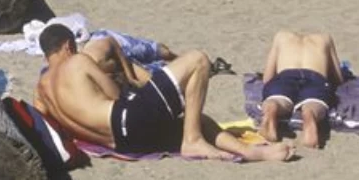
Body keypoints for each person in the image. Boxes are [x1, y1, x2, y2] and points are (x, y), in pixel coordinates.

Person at [34, 24, 293, 162]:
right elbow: (114, 96)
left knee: (196, 119)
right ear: (68, 45)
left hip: (123, 143)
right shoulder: (78, 63)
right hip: (128, 121)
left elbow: (49, 125)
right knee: (198, 60)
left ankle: (250, 152)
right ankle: (192, 141)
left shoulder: (41, 90)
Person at [257, 31, 344, 148]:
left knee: (276, 100)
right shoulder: (325, 38)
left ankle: (272, 109)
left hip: (286, 75)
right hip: (315, 77)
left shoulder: (281, 36)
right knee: (313, 104)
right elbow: (338, 78)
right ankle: (310, 115)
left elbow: (267, 78)